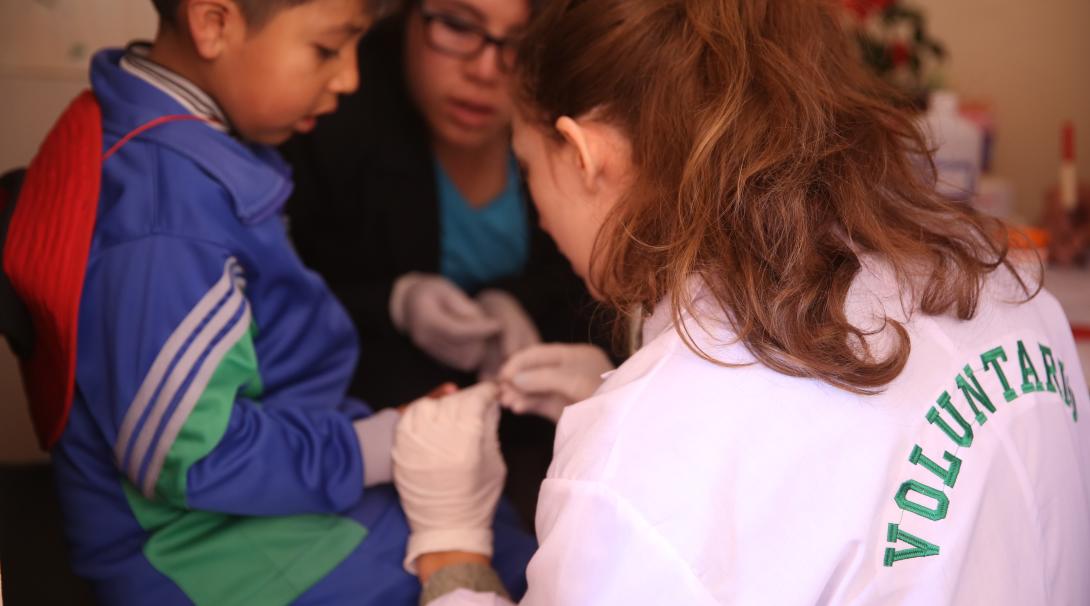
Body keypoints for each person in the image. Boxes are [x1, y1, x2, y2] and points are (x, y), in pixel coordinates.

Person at [387, 0, 1090, 603]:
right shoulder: (1013, 288)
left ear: (581, 153)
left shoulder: (636, 475)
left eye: (529, 166)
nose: (538, 209)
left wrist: (454, 550)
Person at [8, 0, 533, 603]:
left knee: (498, 528)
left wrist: (386, 435)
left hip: (264, 490)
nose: (349, 78)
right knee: (506, 569)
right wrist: (375, 446)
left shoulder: (175, 135)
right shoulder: (166, 225)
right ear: (213, 23)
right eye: (328, 49)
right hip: (204, 551)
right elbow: (190, 453)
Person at [281, 0, 603, 522]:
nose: (483, 69)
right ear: (404, 17)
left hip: (537, 447)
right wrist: (394, 302)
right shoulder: (329, 120)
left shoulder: (574, 126)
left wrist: (511, 302)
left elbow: (583, 286)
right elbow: (287, 299)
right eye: (457, 25)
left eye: (519, 44)